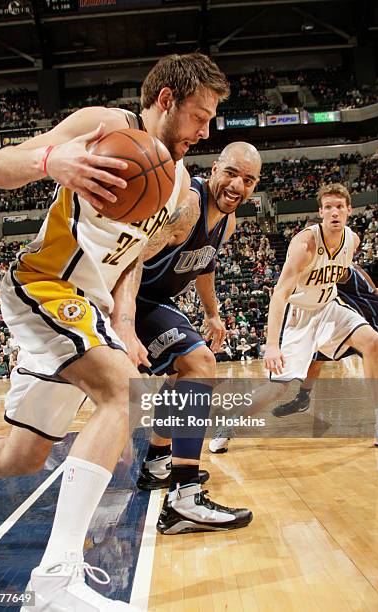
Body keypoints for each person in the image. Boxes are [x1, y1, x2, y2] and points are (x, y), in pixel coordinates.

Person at [0, 53, 230, 611]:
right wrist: (50, 160)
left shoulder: (178, 179)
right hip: (44, 285)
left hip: (87, 306)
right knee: (123, 391)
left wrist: (124, 322)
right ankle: (55, 582)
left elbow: (132, 259)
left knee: (19, 458)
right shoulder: (107, 126)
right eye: (200, 115)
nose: (205, 131)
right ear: (167, 100)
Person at [133, 142, 261, 534]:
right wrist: (119, 320)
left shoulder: (227, 220)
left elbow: (205, 264)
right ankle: (183, 500)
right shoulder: (189, 207)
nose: (238, 185)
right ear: (215, 168)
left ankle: (157, 462)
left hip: (152, 299)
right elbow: (133, 258)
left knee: (183, 375)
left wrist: (212, 312)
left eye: (249, 179)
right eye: (232, 173)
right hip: (129, 297)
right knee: (201, 364)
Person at [210, 183, 378, 453]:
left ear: (349, 210)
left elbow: (347, 271)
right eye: (328, 207)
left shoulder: (353, 240)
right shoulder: (305, 244)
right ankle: (228, 423)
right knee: (277, 388)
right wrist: (272, 345)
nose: (334, 212)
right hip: (297, 316)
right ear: (320, 212)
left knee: (374, 342)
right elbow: (279, 294)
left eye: (339, 207)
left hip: (328, 308)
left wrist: (372, 290)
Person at [272, 261, 378, 444]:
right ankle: (303, 397)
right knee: (315, 360)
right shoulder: (325, 264)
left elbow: (366, 285)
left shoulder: (341, 265)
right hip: (337, 318)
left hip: (365, 315)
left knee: (374, 353)